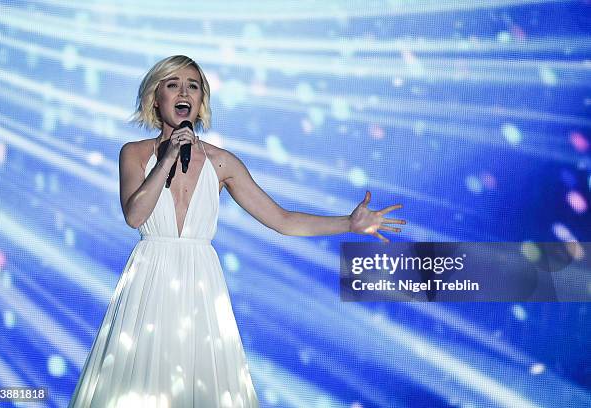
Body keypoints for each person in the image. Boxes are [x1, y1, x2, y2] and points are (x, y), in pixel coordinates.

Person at [68, 55, 405, 407]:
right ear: (156, 98)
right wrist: (167, 158)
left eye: (193, 86)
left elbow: (282, 220)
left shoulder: (222, 163)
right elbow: (135, 216)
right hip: (148, 281)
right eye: (173, 85)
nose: (184, 92)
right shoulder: (134, 154)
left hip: (200, 286)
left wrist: (347, 223)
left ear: (200, 103)